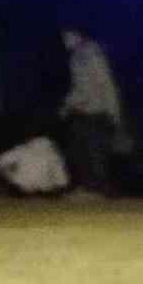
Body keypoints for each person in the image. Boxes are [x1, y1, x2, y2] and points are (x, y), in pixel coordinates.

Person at [59, 28, 128, 195]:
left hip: (95, 114)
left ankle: (99, 191)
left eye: (67, 36)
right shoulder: (77, 56)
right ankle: (88, 188)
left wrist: (115, 114)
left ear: (78, 35)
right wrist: (67, 106)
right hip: (85, 113)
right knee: (81, 152)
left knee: (93, 154)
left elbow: (103, 85)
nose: (65, 41)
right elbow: (80, 87)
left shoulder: (89, 53)